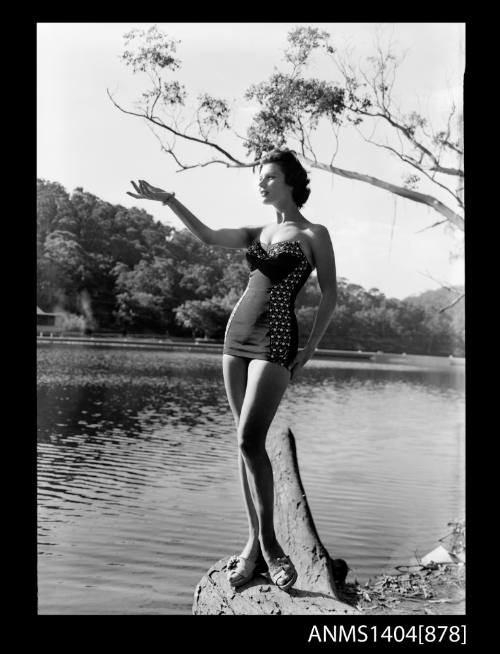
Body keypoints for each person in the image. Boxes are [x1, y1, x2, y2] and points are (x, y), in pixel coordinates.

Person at [127, 148, 337, 592]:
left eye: (270, 177)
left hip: (277, 340)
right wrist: (169, 200)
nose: (260, 183)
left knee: (249, 438)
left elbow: (331, 296)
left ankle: (272, 547)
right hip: (235, 337)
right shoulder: (257, 231)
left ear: (291, 182)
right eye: (259, 177)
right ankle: (253, 545)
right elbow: (205, 236)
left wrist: (311, 349)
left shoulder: (314, 233)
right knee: (242, 445)